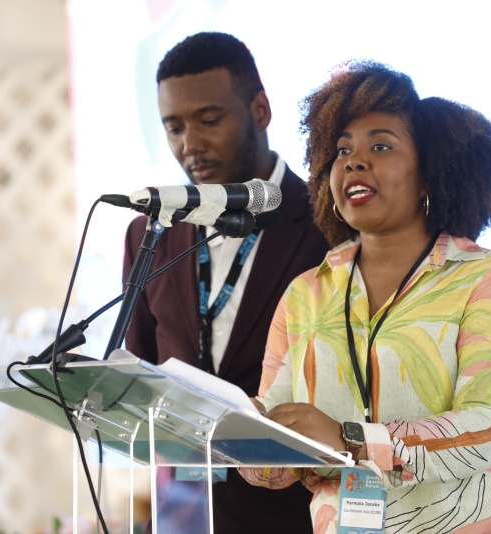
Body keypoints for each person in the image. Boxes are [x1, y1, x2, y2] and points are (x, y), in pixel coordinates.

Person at [240, 61, 491, 534]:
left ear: (429, 172)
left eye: (380, 145)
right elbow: (276, 447)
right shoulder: (307, 294)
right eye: (342, 150)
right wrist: (238, 435)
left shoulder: (490, 279)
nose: (354, 161)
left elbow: (490, 425)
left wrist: (350, 441)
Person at [122, 32, 330, 533]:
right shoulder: (150, 232)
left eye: (209, 120)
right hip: (181, 516)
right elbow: (139, 374)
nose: (189, 145)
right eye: (173, 127)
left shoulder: (328, 224)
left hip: (291, 516)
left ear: (260, 109)